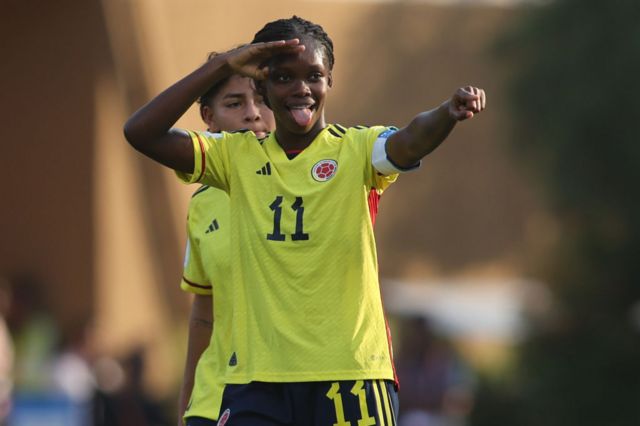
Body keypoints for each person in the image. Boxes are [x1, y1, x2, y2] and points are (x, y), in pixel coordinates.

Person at [124, 15, 486, 426]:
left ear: (329, 81)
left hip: (350, 376)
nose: (301, 89)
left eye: (314, 76)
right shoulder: (235, 158)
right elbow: (141, 132)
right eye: (283, 78)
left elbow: (409, 139)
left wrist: (446, 113)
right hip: (258, 384)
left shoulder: (359, 151)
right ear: (261, 87)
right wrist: (224, 64)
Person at [177, 53, 275, 426]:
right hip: (213, 401)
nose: (252, 114)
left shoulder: (309, 183)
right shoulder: (202, 203)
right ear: (208, 117)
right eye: (235, 103)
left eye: (262, 99)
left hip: (288, 395)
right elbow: (204, 313)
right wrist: (187, 403)